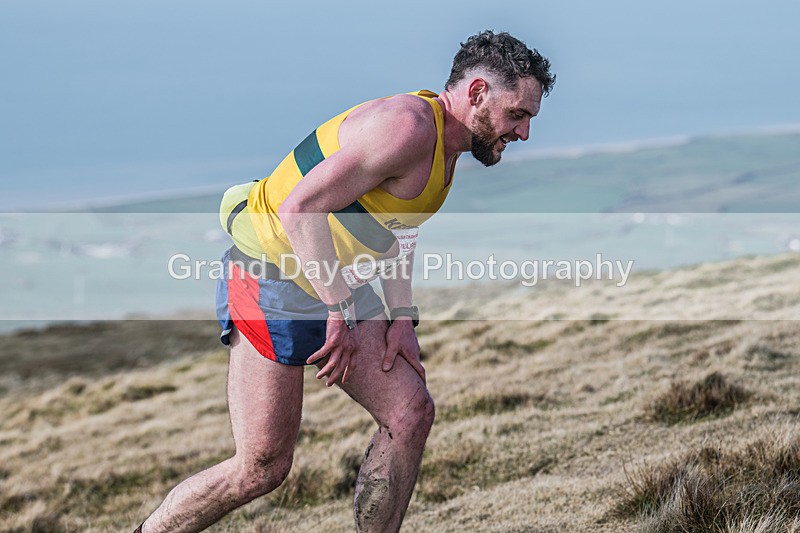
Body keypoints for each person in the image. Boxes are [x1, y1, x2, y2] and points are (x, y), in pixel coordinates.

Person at [135, 29, 554, 533]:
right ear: (478, 92)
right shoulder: (407, 129)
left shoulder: (446, 144)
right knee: (262, 468)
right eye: (518, 115)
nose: (524, 132)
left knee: (410, 412)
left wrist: (402, 317)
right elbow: (300, 208)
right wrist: (338, 310)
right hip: (272, 276)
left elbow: (397, 230)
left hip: (334, 278)